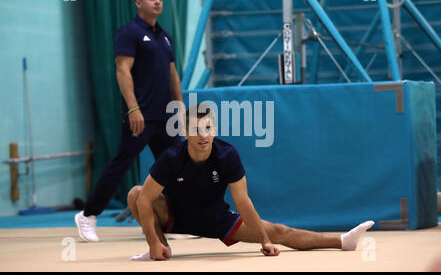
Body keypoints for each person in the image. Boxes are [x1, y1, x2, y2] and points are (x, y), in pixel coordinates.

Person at [127, 104, 374, 261]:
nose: (203, 135)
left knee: (278, 231)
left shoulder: (226, 155)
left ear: (214, 129)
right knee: (136, 194)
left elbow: (242, 200)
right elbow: (147, 200)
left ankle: (342, 240)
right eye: (196, 129)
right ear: (185, 133)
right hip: (175, 215)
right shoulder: (171, 158)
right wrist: (152, 242)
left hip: (216, 219)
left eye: (208, 128)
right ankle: (160, 249)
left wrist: (265, 239)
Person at [75, 0, 184, 242]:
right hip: (141, 115)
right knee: (121, 164)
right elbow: (122, 71)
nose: (157, 1)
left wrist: (179, 106)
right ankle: (88, 215)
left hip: (166, 116)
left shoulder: (165, 36)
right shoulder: (129, 33)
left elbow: (172, 74)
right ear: (138, 3)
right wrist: (133, 107)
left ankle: (170, 222)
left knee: (174, 168)